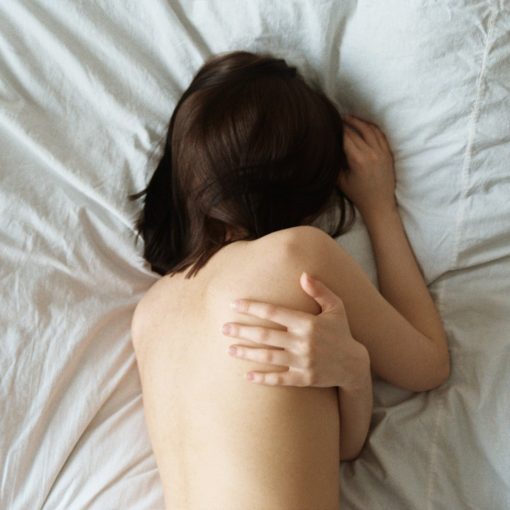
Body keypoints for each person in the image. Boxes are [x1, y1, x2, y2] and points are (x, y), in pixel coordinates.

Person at [129, 50, 450, 510]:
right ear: (308, 186)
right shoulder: (295, 254)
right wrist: (380, 207)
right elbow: (429, 364)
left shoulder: (151, 313)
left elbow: (331, 450)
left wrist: (354, 373)